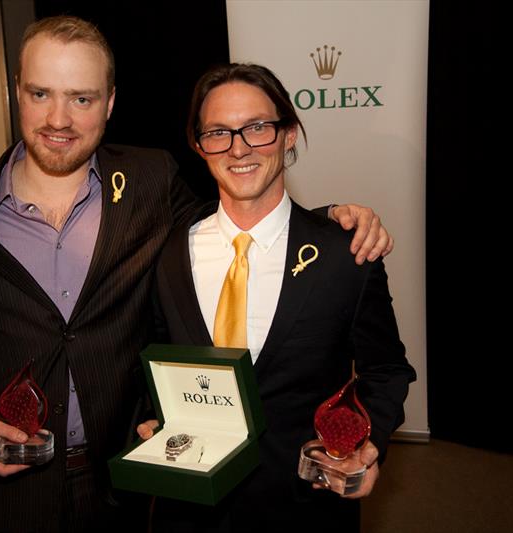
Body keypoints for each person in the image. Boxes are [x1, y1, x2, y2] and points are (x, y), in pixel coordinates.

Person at [0, 16, 392, 533]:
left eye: (82, 98)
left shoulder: (148, 182)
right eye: (41, 93)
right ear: (17, 91)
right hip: (3, 490)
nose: (59, 118)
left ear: (109, 103)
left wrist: (328, 221)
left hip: (121, 487)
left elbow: (236, 211)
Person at [137, 63, 416, 532]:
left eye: (257, 128)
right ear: (199, 146)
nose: (239, 148)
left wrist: (370, 441)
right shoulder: (167, 251)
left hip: (303, 507)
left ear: (289, 135)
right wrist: (151, 418)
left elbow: (386, 371)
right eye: (219, 132)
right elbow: (154, 355)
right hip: (187, 507)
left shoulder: (345, 254)